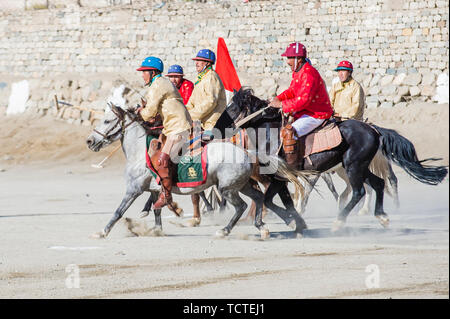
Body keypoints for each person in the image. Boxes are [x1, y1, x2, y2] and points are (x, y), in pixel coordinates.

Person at [136, 56, 193, 209]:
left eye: (144, 72)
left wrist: (139, 113)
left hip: (179, 127)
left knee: (162, 160)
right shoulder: (159, 83)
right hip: (171, 127)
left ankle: (167, 196)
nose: (142, 75)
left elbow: (150, 112)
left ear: (153, 72)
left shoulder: (158, 85)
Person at [268, 42, 334, 166]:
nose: (287, 61)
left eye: (289, 58)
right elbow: (292, 91)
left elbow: (304, 100)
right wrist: (277, 99)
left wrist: (282, 105)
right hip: (306, 112)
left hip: (317, 114)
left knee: (290, 132)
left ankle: (293, 166)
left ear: (298, 59)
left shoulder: (309, 73)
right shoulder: (298, 71)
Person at [186, 49, 227, 133]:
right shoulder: (200, 79)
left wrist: (191, 115)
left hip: (212, 124)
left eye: (199, 61)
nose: (196, 63)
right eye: (196, 60)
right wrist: (183, 112)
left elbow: (210, 102)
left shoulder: (211, 77)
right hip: (200, 122)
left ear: (207, 63)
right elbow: (192, 101)